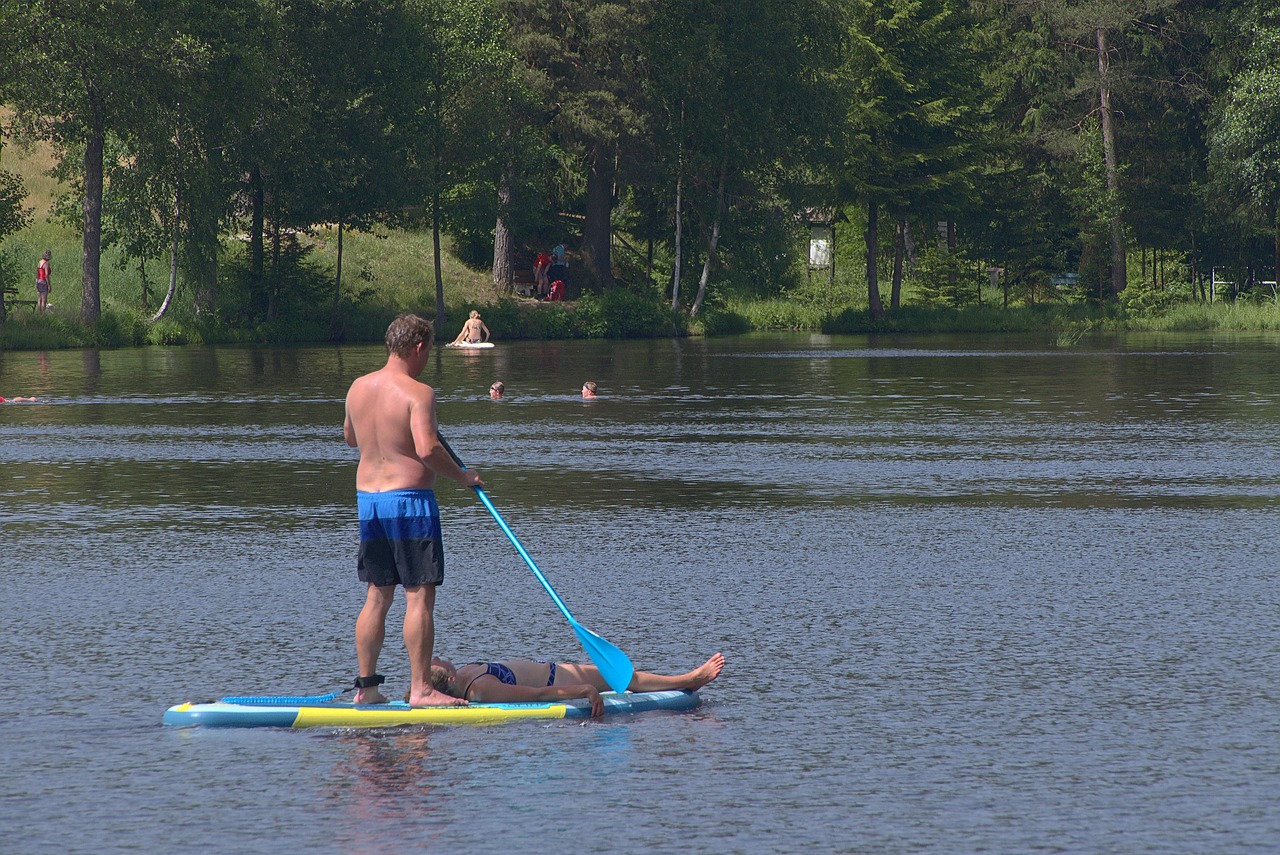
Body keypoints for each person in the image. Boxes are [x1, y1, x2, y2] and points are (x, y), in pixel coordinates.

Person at [343, 314, 485, 707]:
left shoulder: (357, 388)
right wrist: (463, 476)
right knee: (418, 596)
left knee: (376, 596)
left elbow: (351, 438)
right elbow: (427, 450)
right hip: (409, 504)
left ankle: (366, 688)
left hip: (368, 502)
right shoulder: (418, 393)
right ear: (418, 347)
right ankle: (422, 689)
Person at [430, 652, 725, 717]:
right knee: (625, 678)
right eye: (437, 661)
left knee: (623, 676)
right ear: (450, 679)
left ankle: (687, 678)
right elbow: (538, 695)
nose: (438, 655)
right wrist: (582, 691)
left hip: (554, 670)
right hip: (556, 680)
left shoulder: (465, 675)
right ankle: (689, 679)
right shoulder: (481, 690)